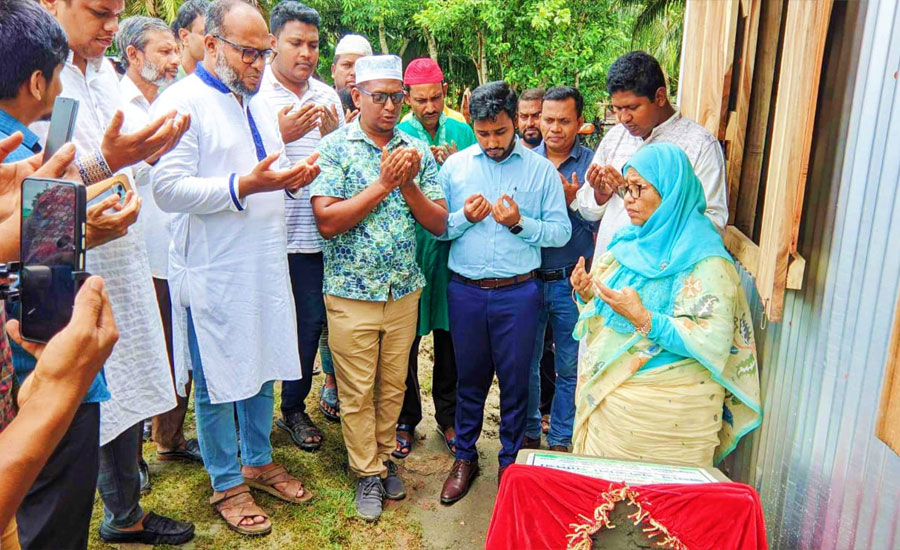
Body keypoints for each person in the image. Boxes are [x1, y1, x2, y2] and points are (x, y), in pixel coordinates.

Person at [151, 0, 320, 536]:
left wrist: (289, 179)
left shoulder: (258, 101)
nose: (258, 63)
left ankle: (259, 460)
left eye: (263, 52)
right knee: (218, 378)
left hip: (263, 262)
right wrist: (244, 186)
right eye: (248, 53)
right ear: (211, 45)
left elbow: (265, 168)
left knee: (262, 361)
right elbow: (166, 189)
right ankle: (226, 481)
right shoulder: (182, 102)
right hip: (213, 270)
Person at [311, 54, 447, 521]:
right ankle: (366, 471)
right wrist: (385, 183)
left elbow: (439, 222)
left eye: (396, 97)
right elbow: (327, 221)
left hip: (403, 291)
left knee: (393, 386)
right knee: (355, 388)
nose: (390, 107)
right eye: (380, 97)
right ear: (356, 96)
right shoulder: (334, 148)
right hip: (351, 293)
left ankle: (384, 456)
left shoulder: (416, 149)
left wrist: (408, 185)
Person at [568, 142, 761, 466]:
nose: (628, 199)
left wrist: (645, 319)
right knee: (606, 493)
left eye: (639, 188)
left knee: (665, 497)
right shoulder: (627, 243)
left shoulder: (707, 261)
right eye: (626, 188)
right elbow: (607, 315)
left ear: (671, 192)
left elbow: (713, 340)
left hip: (672, 416)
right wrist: (587, 293)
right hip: (612, 412)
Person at [437, 81, 571, 505]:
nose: (492, 142)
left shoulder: (540, 171)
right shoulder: (455, 168)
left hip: (519, 293)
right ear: (472, 126)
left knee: (516, 383)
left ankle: (510, 463)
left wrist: (519, 224)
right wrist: (463, 217)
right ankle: (465, 457)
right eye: (483, 134)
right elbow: (438, 229)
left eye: (500, 132)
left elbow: (561, 231)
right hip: (466, 292)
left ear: (515, 121)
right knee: (469, 379)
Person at [117, 15, 202, 468]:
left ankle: (169, 437)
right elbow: (108, 174)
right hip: (135, 249)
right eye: (164, 51)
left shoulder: (179, 99)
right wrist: (154, 153)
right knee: (137, 351)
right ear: (134, 55)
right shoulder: (116, 105)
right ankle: (130, 461)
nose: (174, 60)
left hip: (180, 245)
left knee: (176, 346)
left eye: (174, 50)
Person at [258, 0, 343, 453]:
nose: (306, 53)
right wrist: (280, 134)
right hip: (264, 237)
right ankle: (250, 415)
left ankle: (293, 406)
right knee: (259, 324)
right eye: (296, 43)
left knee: (309, 325)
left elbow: (344, 163)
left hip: (312, 236)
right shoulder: (254, 93)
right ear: (273, 42)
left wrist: (332, 137)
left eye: (313, 44)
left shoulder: (327, 97)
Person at [393, 57, 476, 459]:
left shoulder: (463, 131)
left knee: (450, 337)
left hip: (450, 252)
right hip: (410, 251)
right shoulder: (395, 134)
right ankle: (405, 418)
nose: (429, 107)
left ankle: (449, 416)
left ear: (445, 92)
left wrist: (455, 165)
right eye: (420, 100)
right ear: (406, 97)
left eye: (436, 98)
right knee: (404, 340)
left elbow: (477, 186)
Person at [577, 51, 728, 257]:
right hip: (609, 267)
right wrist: (600, 194)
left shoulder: (699, 145)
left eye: (632, 107)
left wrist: (635, 195)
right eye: (617, 109)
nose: (623, 118)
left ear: (660, 97)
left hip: (662, 270)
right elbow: (588, 211)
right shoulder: (615, 138)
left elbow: (713, 224)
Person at [523, 86, 597, 452]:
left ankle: (561, 440)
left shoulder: (593, 166)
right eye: (548, 119)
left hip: (572, 281)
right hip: (527, 280)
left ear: (580, 122)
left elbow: (603, 223)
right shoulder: (524, 162)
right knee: (527, 363)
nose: (554, 128)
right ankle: (528, 433)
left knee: (570, 364)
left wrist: (573, 204)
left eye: (564, 121)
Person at [330, 33, 370, 124]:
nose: (354, 72)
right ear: (333, 71)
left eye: (360, 67)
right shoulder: (320, 104)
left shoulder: (378, 110)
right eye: (347, 65)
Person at [171, 0, 208, 76]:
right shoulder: (170, 80)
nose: (212, 41)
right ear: (184, 36)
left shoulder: (223, 79)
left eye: (216, 34)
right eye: (204, 34)